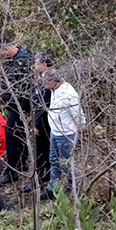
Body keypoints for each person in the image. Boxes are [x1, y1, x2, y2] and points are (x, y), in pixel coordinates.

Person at [43, 68, 86, 198]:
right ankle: (52, 188)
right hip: (55, 132)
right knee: (54, 160)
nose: (43, 84)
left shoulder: (68, 93)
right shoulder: (54, 90)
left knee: (65, 163)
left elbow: (77, 114)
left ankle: (72, 188)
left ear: (52, 81)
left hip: (66, 135)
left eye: (45, 81)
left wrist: (77, 128)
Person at [0, 37, 34, 183]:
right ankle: (20, 163)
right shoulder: (16, 59)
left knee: (11, 136)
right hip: (15, 105)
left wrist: (23, 111)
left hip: (20, 106)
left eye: (2, 52)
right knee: (19, 136)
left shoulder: (23, 60)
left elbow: (23, 85)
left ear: (7, 48)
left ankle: (12, 171)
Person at [29, 51, 54, 193]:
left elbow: (44, 104)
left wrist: (37, 124)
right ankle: (44, 175)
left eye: (36, 63)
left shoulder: (49, 81)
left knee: (41, 150)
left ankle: (40, 179)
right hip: (41, 120)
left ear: (44, 64)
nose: (34, 66)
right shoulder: (42, 79)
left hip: (45, 123)